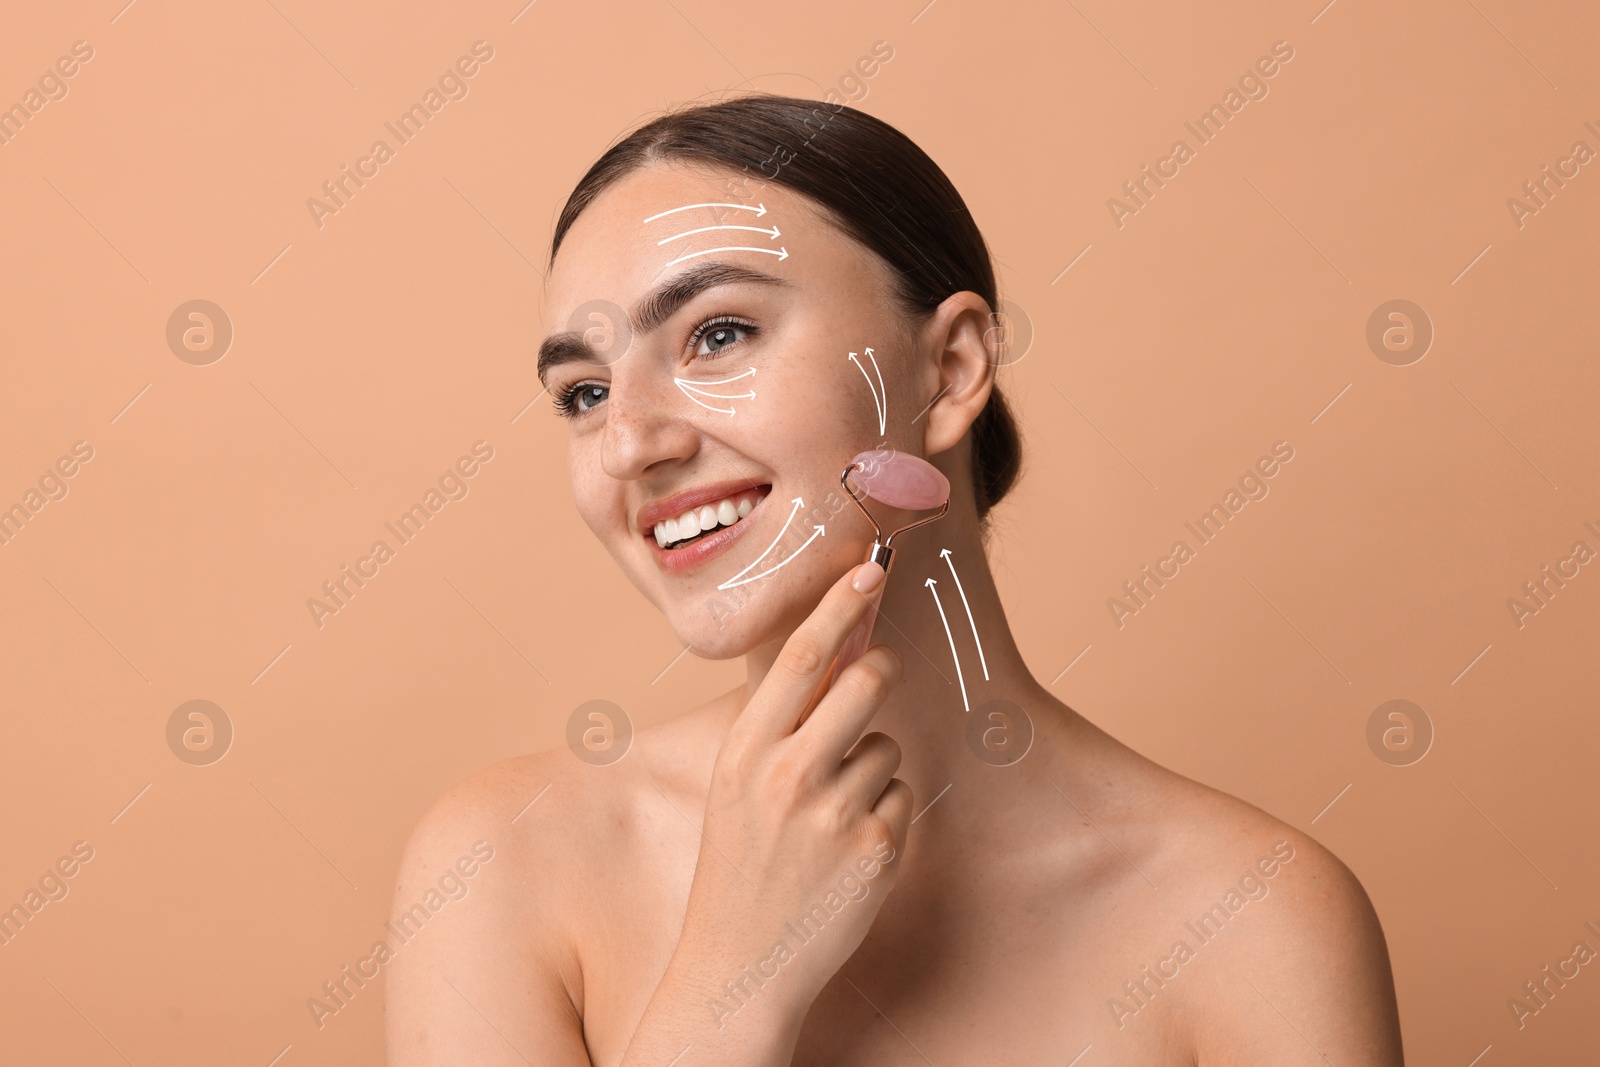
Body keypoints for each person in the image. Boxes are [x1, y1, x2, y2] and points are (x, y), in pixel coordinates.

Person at [386, 94, 1404, 1065]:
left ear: (952, 367)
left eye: (719, 333)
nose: (630, 444)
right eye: (585, 391)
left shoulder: (1252, 916)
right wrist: (734, 978)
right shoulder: (505, 864)